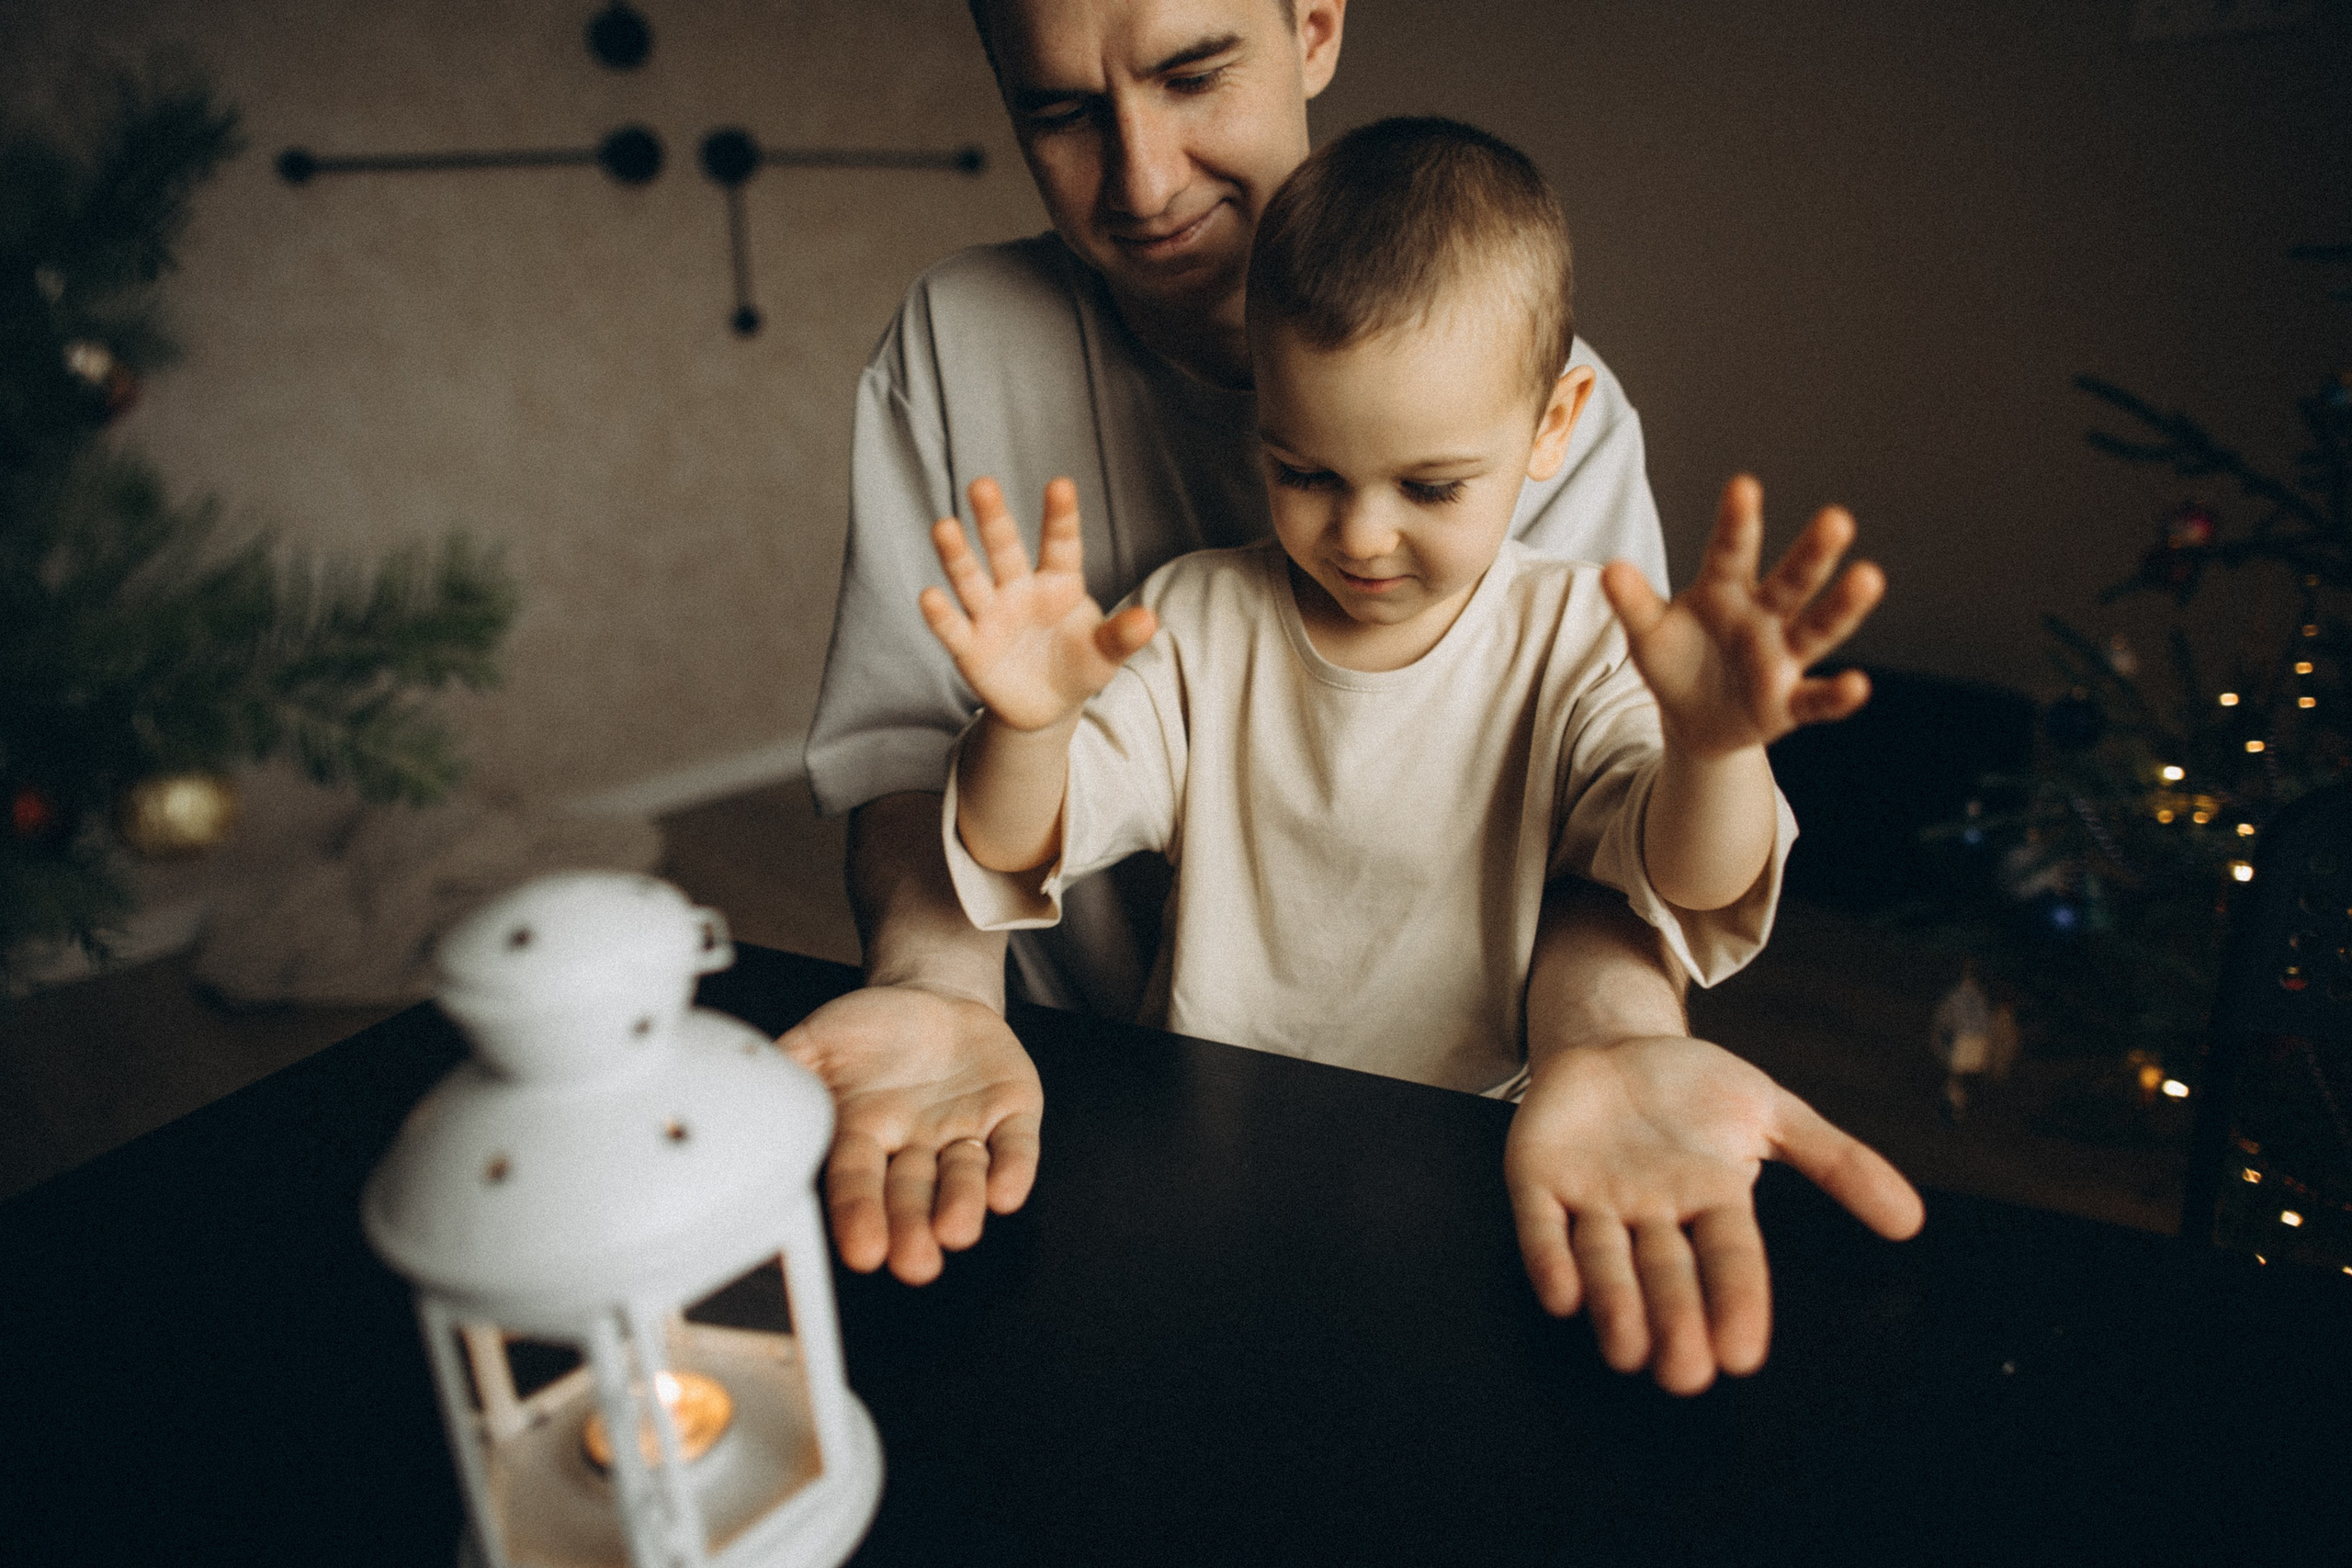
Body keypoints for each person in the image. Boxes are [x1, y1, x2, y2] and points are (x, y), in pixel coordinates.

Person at [788, 0, 1923, 1396]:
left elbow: (1640, 871)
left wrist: (1708, 771)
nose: (1142, 182)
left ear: (1314, 24)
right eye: (1064, 112)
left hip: (1480, 1139)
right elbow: (988, 812)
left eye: (1193, 71)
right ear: (1266, 411)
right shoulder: (1196, 601)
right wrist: (1018, 746)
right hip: (1132, 1117)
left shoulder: (1564, 595)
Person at [921, 114, 1869, 1151]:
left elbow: (1692, 885)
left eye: (1429, 485)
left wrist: (1712, 749)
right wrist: (1029, 726)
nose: (1362, 536)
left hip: (1480, 1145)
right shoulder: (1195, 622)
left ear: (1554, 424)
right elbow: (1014, 847)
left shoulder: (1580, 637)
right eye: (1307, 474)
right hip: (1203, 1128)